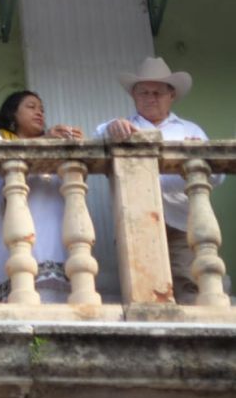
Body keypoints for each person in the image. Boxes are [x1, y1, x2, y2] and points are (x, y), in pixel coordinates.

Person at [95, 57, 222, 305]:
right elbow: (96, 137)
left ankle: (190, 340)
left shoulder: (191, 130)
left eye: (157, 92)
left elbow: (217, 177)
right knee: (143, 290)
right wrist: (112, 127)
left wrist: (201, 162)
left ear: (171, 95)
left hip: (183, 220)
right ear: (134, 95)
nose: (150, 97)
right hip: (137, 220)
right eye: (143, 92)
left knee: (188, 283)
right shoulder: (123, 126)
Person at [0, 90, 83, 303]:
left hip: (55, 224)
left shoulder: (53, 144)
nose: (39, 112)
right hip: (14, 225)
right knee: (22, 289)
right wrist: (44, 142)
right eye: (31, 107)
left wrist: (73, 146)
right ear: (12, 113)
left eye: (42, 109)